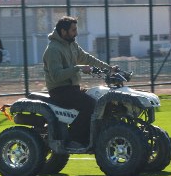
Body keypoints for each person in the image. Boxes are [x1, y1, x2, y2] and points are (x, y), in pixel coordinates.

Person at [42, 16, 117, 149]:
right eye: (73, 30)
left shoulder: (71, 44)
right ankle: (74, 139)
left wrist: (109, 68)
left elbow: (87, 58)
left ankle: (99, 136)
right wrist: (79, 68)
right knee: (91, 105)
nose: (76, 33)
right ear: (63, 32)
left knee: (103, 101)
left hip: (73, 89)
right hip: (60, 90)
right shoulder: (53, 49)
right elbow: (56, 76)